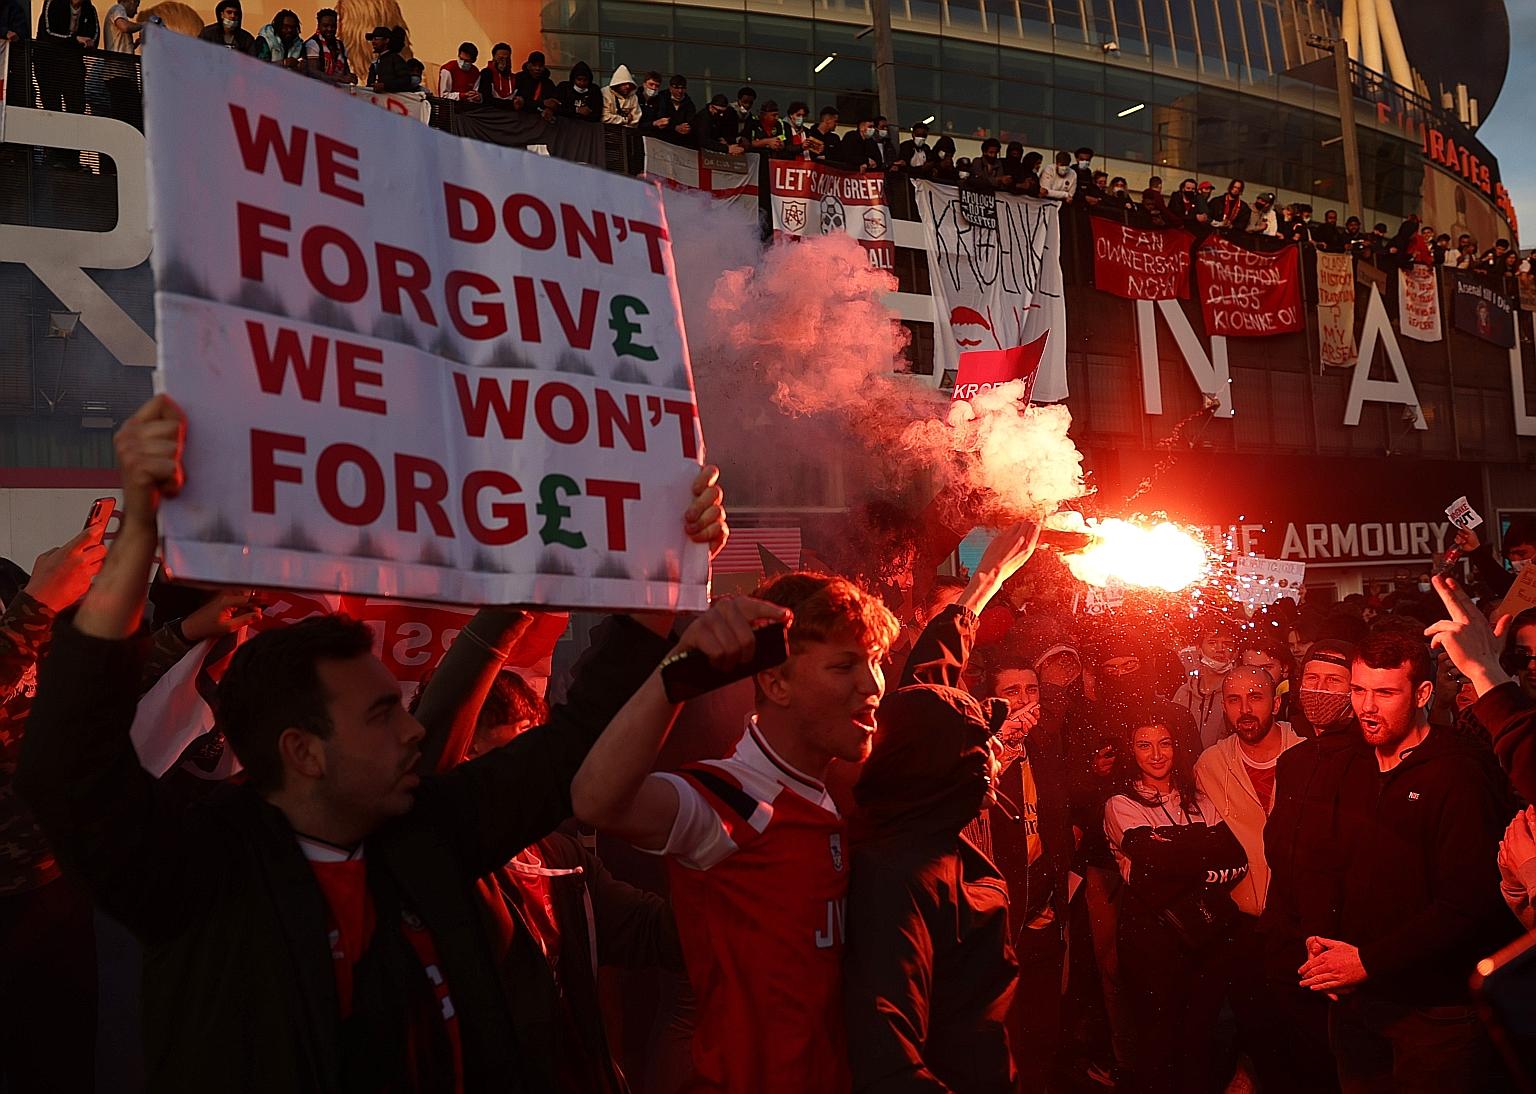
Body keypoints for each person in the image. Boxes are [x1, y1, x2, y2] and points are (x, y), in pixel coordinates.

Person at [16, 394, 732, 1092]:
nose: (415, 729)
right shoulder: (194, 876)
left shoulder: (427, 837)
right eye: (382, 715)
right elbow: (68, 766)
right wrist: (139, 531)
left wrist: (661, 578)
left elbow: (568, 746)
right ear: (303, 752)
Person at [409, 633, 686, 1094]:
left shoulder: (562, 861)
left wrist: (715, 859)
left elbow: (655, 933)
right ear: (463, 749)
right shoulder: (432, 862)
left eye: (535, 738)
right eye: (518, 740)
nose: (532, 762)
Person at [842, 524, 1039, 1094]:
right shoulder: (898, 878)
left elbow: (926, 691)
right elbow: (888, 1057)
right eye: (980, 746)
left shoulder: (920, 820)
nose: (993, 754)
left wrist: (986, 581)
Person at [1299, 631, 1518, 1094]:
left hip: (1435, 1013)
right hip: (1359, 1004)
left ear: (1422, 694)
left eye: (1384, 693)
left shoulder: (1459, 772)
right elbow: (1322, 863)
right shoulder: (1347, 764)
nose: (1366, 707)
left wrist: (1367, 961)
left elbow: (1468, 904)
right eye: (1358, 690)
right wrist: (1323, 947)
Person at [0, 529, 106, 1094]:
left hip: (47, 874)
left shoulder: (8, 579)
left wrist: (186, 634)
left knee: (58, 1056)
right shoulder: (27, 598)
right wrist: (37, 605)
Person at [1104, 710, 1249, 1094]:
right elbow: (1151, 862)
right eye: (1144, 745)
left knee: (1200, 1040)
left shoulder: (1200, 798)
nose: (1156, 755)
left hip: (1204, 936)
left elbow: (1236, 857)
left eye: (1164, 743)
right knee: (1158, 1041)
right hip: (1151, 937)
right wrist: (1203, 854)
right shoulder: (1120, 804)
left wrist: (1172, 852)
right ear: (1131, 751)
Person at [1195, 667, 1307, 1092]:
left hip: (1301, 921)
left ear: (1276, 703)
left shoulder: (1308, 753)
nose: (1245, 709)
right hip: (1244, 925)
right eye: (1234, 699)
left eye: (1256, 697)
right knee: (1260, 1033)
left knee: (1306, 1037)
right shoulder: (1210, 764)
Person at [979, 643, 1074, 1093]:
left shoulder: (1046, 750)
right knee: (1003, 1041)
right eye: (1011, 692)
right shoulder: (978, 759)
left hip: (1044, 919)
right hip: (999, 926)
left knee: (1043, 1035)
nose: (1024, 701)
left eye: (1031, 690)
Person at [1175, 616, 1237, 749]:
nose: (1220, 649)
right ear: (1199, 648)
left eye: (1227, 644)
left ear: (1236, 652)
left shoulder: (1237, 694)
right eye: (1212, 643)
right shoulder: (1183, 693)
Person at [36, 0, 99, 120]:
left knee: (77, 107)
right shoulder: (53, 3)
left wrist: (89, 42)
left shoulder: (89, 9)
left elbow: (94, 35)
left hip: (73, 64)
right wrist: (75, 40)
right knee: (52, 108)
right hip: (48, 64)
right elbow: (48, 33)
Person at [303, 9, 354, 84]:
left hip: (337, 89)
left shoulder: (340, 45)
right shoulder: (313, 43)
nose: (329, 29)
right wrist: (337, 78)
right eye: (325, 26)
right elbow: (313, 72)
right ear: (318, 26)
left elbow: (346, 70)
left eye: (333, 26)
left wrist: (350, 77)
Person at [366, 24, 411, 92]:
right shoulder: (375, 62)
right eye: (372, 39)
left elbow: (405, 80)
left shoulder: (395, 59)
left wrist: (385, 86)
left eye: (376, 39)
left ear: (386, 40)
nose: (373, 42)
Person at [653, 74, 695, 145]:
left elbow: (691, 122)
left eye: (683, 88)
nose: (680, 91)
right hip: (660, 139)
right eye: (677, 88)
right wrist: (674, 127)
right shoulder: (660, 98)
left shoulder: (689, 103)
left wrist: (686, 128)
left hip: (679, 141)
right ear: (670, 88)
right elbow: (658, 119)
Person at [512, 49, 556, 114]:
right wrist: (542, 103)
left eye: (540, 66)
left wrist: (549, 109)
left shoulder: (548, 83)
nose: (537, 68)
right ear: (528, 65)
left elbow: (553, 103)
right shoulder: (519, 78)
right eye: (534, 65)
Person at [475, 42, 517, 106]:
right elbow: (486, 99)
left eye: (507, 59)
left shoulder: (515, 78)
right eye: (501, 58)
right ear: (493, 58)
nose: (504, 62)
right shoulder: (486, 74)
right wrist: (511, 104)